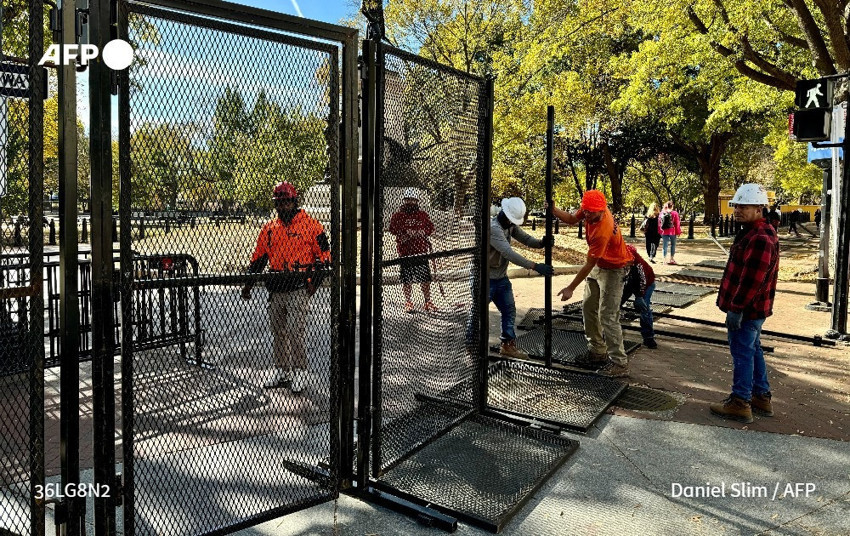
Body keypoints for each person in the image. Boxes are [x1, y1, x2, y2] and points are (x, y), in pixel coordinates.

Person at [242, 181, 331, 391]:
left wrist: (314, 284)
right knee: (278, 331)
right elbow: (258, 259)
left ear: (294, 201)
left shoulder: (312, 226)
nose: (283, 207)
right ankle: (282, 370)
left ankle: (300, 371)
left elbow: (325, 257)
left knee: (294, 330)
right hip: (276, 285)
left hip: (299, 285)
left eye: (286, 202)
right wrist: (248, 285)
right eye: (279, 203)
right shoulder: (270, 228)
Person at [710, 183, 779, 424]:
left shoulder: (759, 237)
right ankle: (761, 396)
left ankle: (740, 402)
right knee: (753, 349)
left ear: (759, 208)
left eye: (744, 206)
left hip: (747, 310)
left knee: (743, 353)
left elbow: (752, 279)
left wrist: (736, 308)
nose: (737, 210)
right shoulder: (757, 232)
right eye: (736, 206)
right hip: (753, 309)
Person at [550, 190, 634, 378]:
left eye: (590, 212)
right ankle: (597, 350)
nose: (586, 215)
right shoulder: (590, 208)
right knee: (588, 307)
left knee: (607, 315)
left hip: (614, 268)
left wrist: (570, 288)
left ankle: (619, 363)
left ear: (601, 210)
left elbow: (589, 264)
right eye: (585, 211)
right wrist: (554, 210)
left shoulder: (602, 231)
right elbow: (572, 219)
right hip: (600, 264)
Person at [472, 197, 553, 359]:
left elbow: (526, 239)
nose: (512, 223)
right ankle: (471, 345)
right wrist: (535, 266)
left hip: (500, 278)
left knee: (509, 310)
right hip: (484, 279)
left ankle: (508, 345)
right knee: (478, 314)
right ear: (505, 214)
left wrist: (541, 243)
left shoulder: (510, 226)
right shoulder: (493, 228)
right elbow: (508, 253)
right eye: (511, 219)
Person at [388, 188, 437, 313]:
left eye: (413, 200)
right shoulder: (398, 216)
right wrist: (404, 231)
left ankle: (427, 301)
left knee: (425, 279)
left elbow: (430, 228)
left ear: (417, 201)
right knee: (407, 279)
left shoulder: (422, 215)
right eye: (408, 199)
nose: (410, 202)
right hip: (405, 252)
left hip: (421, 252)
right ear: (404, 201)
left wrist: (423, 232)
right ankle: (408, 302)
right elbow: (392, 229)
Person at [621, 244, 657, 349]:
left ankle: (649, 337)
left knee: (644, 309)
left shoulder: (638, 264)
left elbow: (642, 281)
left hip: (647, 284)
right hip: (629, 284)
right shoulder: (620, 258)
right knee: (616, 303)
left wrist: (639, 296)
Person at [658, 200, 682, 265]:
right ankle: (671, 259)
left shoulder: (662, 213)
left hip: (664, 232)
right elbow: (677, 223)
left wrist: (660, 231)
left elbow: (659, 223)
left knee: (664, 246)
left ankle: (664, 260)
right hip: (672, 231)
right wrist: (678, 232)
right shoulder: (675, 213)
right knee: (673, 245)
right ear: (672, 206)